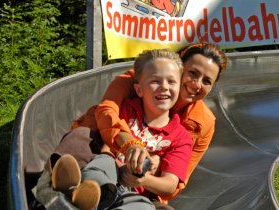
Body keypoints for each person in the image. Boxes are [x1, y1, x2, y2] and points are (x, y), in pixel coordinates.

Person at [35, 48, 193, 210]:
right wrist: (119, 164)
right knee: (99, 167)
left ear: (179, 87)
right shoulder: (126, 110)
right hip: (108, 174)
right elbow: (107, 143)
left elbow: (170, 185)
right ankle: (83, 195)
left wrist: (142, 180)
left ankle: (85, 200)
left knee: (144, 207)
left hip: (135, 192)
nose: (164, 87)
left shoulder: (181, 137)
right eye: (155, 81)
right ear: (139, 90)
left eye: (171, 81)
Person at [72, 42, 228, 205]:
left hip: (144, 188)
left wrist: (158, 165)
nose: (196, 84)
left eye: (207, 81)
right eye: (193, 73)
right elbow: (106, 111)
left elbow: (176, 182)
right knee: (81, 140)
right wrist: (129, 144)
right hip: (102, 153)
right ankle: (69, 183)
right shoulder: (140, 80)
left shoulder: (202, 124)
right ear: (178, 68)